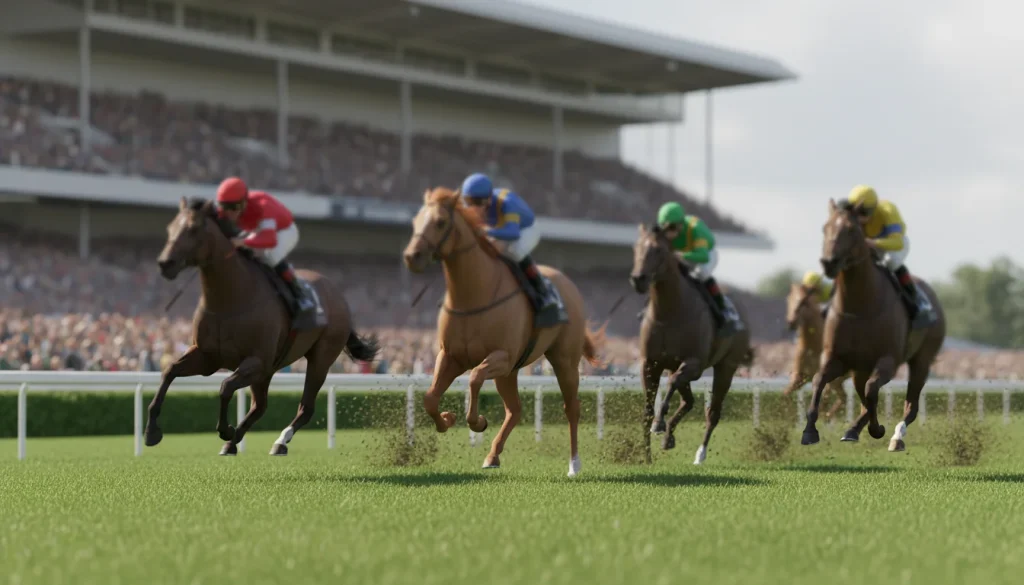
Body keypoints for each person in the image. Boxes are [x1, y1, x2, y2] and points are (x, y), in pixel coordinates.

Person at [460, 173, 566, 328]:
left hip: (525, 229)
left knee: (514, 251)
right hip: (499, 228)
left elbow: (513, 233)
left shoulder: (506, 203)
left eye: (478, 202)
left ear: (489, 200)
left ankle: (545, 292)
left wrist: (486, 231)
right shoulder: (472, 206)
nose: (473, 209)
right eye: (469, 202)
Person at [215, 177, 322, 328]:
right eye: (225, 208)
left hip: (283, 231)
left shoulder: (262, 207)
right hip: (256, 230)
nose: (229, 213)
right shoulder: (226, 210)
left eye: (233, 208)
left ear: (244, 203)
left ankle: (300, 295)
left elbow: (269, 240)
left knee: (270, 256)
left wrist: (242, 242)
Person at [845, 184, 936, 328]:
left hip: (892, 245)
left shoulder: (888, 210)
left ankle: (918, 299)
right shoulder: (848, 214)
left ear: (873, 208)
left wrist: (873, 243)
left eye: (864, 213)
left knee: (890, 261)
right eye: (857, 213)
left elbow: (898, 242)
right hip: (869, 247)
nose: (860, 218)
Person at [655, 201, 741, 334]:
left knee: (701, 273)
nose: (668, 234)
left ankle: (725, 310)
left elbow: (703, 256)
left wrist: (681, 255)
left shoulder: (695, 228)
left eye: (671, 228)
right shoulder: (665, 232)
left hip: (705, 253)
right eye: (664, 229)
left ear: (681, 224)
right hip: (683, 256)